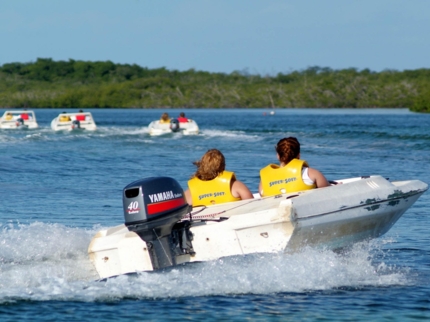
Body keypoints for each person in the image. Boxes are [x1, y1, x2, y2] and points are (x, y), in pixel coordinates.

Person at [259, 137, 329, 197]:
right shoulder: (311, 173)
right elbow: (329, 192)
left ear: (278, 156)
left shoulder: (264, 181)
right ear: (298, 155)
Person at [184, 149, 254, 206]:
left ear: (201, 165)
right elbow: (253, 206)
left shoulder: (190, 192)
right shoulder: (236, 186)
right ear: (223, 166)